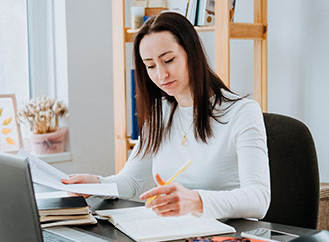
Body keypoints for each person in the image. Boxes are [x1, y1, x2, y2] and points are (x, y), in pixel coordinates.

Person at [62, 12, 270, 220]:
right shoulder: (160, 113)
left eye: (168, 60)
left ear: (192, 53)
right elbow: (130, 181)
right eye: (151, 66)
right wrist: (96, 184)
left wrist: (196, 200)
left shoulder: (242, 112)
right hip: (176, 233)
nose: (161, 75)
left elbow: (258, 199)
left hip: (228, 241)